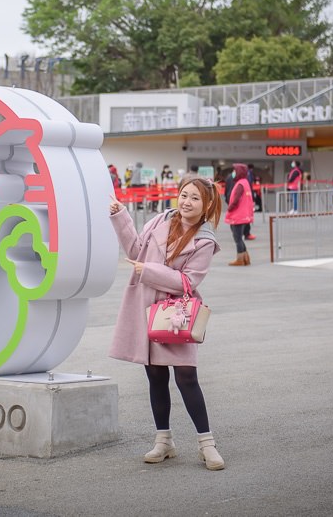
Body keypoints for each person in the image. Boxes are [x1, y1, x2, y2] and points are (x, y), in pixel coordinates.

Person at [107, 174, 226, 471]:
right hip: (145, 306)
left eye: (195, 198)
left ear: (207, 205)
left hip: (176, 314)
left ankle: (207, 444)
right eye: (184, 195)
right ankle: (164, 441)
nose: (187, 202)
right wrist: (121, 217)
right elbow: (136, 251)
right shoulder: (160, 220)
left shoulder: (205, 240)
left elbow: (187, 281)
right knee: (156, 376)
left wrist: (147, 270)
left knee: (187, 376)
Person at [224, 163, 254, 266]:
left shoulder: (240, 184)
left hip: (238, 215)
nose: (233, 172)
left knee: (237, 238)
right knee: (239, 238)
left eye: (235, 170)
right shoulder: (245, 182)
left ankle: (240, 259)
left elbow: (236, 199)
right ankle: (246, 258)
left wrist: (230, 208)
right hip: (244, 215)